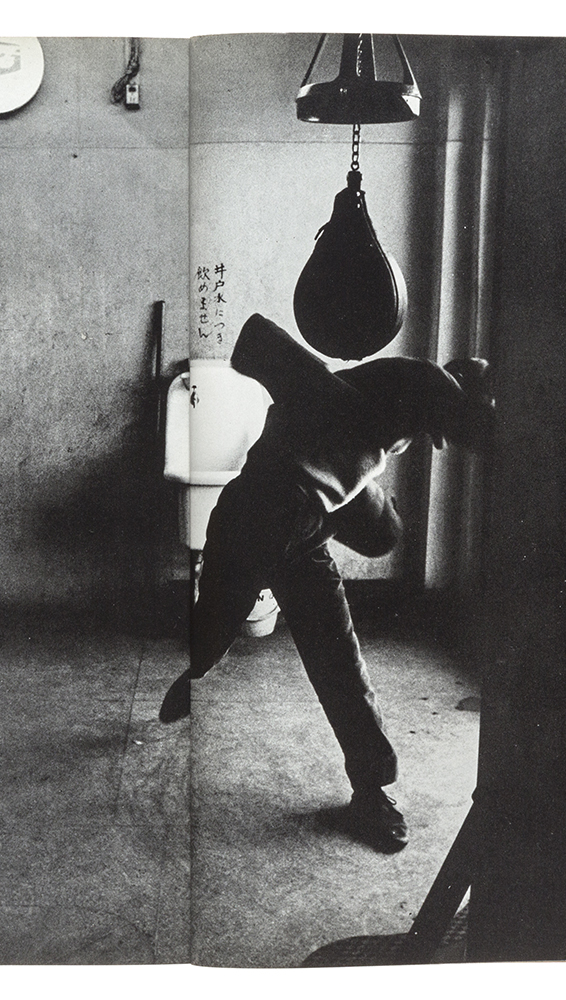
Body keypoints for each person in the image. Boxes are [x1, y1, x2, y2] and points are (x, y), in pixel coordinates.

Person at [158, 313, 493, 853]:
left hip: (304, 534)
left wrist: (377, 516)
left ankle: (370, 791)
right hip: (253, 517)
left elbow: (357, 486)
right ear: (445, 395)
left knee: (339, 658)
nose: (439, 444)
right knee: (214, 631)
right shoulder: (411, 383)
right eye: (447, 421)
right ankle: (194, 670)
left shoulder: (384, 418)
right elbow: (258, 342)